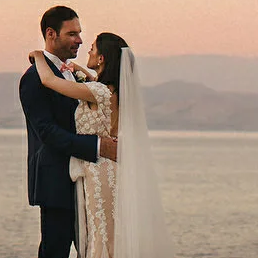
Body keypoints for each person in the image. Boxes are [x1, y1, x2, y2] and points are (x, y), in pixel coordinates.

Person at [28, 31, 176, 258]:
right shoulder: (113, 91)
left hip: (98, 173)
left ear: (102, 59)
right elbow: (96, 85)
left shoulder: (97, 92)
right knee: (109, 234)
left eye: (94, 48)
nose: (88, 49)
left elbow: (49, 81)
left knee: (100, 237)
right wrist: (80, 70)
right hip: (109, 170)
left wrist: (39, 56)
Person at [18, 6, 117, 258]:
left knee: (93, 248)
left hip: (90, 179)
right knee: (55, 251)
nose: (80, 40)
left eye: (80, 33)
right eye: (72, 34)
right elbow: (47, 133)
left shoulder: (74, 74)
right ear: (51, 34)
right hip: (57, 181)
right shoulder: (34, 79)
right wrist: (97, 146)